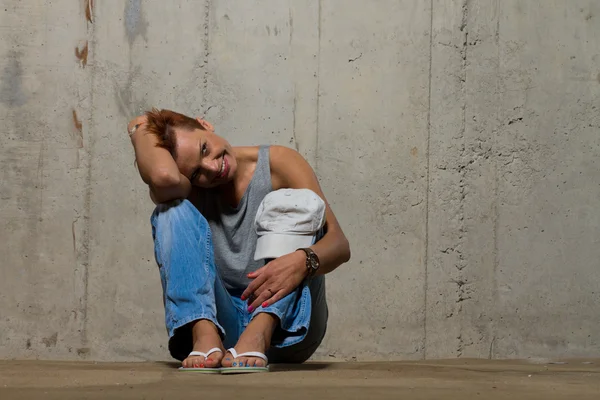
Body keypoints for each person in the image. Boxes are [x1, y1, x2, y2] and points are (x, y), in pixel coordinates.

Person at [127, 109, 351, 372]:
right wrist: (137, 129)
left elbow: (339, 244)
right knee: (170, 211)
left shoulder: (278, 163)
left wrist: (303, 261)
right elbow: (163, 177)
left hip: (288, 325)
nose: (212, 167)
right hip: (226, 329)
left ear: (205, 124)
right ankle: (204, 332)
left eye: (204, 149)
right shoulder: (188, 189)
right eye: (197, 172)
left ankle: (260, 331)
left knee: (298, 202)